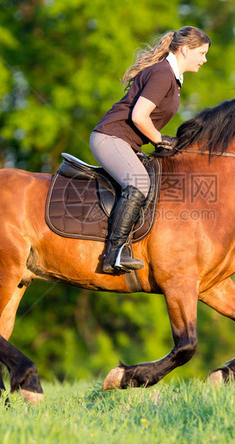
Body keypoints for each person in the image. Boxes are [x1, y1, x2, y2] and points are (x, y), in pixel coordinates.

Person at [90, 26, 211, 274]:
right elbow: (139, 116)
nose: (204, 59)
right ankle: (113, 255)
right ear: (186, 50)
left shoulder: (173, 78)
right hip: (110, 137)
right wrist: (159, 140)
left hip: (125, 142)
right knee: (140, 184)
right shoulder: (163, 74)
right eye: (202, 53)